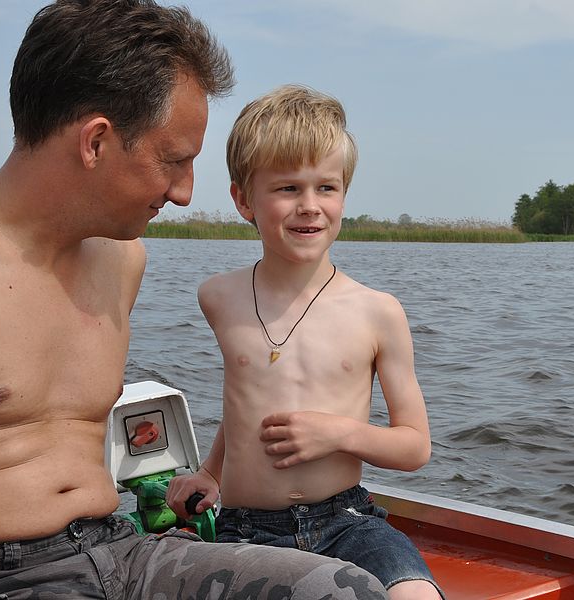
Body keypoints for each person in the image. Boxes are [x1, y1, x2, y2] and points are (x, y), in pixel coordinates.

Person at [0, 2, 389, 599]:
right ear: (96, 141)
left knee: (344, 589)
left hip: (115, 549)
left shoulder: (122, 259)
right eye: (174, 161)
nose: (186, 194)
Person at [165, 84, 444, 599]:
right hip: (248, 530)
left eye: (327, 188)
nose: (310, 207)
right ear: (243, 200)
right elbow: (245, 399)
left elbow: (415, 447)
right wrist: (210, 472)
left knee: (416, 595)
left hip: (348, 522)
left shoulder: (377, 312)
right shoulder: (218, 297)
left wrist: (336, 433)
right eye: (288, 189)